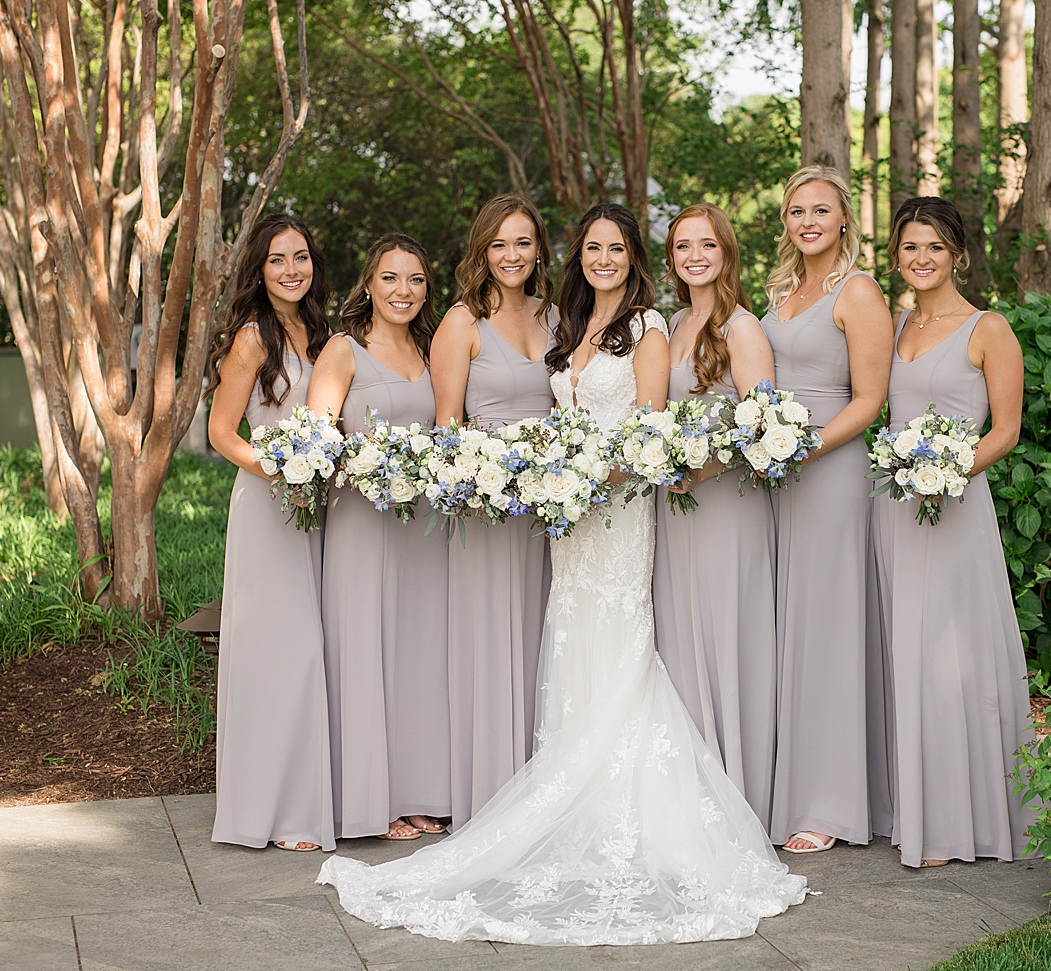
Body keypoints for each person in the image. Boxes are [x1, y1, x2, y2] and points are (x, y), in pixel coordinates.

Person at [318, 203, 807, 945]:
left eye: (616, 248)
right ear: (575, 256)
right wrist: (555, 476)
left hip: (613, 512)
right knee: (573, 643)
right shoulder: (568, 330)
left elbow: (645, 435)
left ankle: (619, 810)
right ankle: (567, 795)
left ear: (634, 257)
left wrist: (575, 473)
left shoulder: (642, 329)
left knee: (620, 646)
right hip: (563, 519)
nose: (603, 259)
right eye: (592, 248)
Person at [871, 196, 1035, 868]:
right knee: (907, 651)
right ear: (896, 257)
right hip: (895, 510)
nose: (921, 258)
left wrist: (948, 470)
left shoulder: (987, 327)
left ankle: (961, 822)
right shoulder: (897, 322)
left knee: (953, 655)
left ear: (958, 255)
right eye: (910, 247)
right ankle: (912, 808)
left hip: (956, 505)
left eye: (933, 247)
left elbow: (1007, 430)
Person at [760, 165, 895, 854]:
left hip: (831, 470)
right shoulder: (780, 292)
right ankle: (784, 788)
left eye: (820, 210)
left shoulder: (858, 291)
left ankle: (830, 804)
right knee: (787, 628)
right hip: (773, 476)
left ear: (844, 220)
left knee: (828, 629)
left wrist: (803, 450)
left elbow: (870, 400)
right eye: (795, 211)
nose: (807, 221)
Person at [308, 233, 449, 844]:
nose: (403, 291)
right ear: (368, 284)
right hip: (362, 522)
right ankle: (371, 799)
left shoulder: (431, 348)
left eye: (415, 280)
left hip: (422, 526)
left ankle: (419, 792)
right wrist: (362, 467)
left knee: (419, 654)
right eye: (390, 278)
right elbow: (315, 443)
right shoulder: (343, 351)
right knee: (366, 648)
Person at [207, 213, 336, 853]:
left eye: (301, 257)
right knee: (279, 653)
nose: (292, 270)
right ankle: (271, 812)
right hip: (267, 507)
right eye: (278, 260)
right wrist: (281, 470)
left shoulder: (319, 332)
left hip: (319, 509)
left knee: (312, 650)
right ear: (259, 270)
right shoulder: (254, 338)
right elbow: (221, 433)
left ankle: (306, 801)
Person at [429, 194, 557, 828]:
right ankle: (488, 794)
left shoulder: (556, 316)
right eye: (501, 244)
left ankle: (541, 788)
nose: (513, 255)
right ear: (482, 249)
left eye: (524, 243)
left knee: (541, 640)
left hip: (551, 513)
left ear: (538, 250)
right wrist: (480, 479)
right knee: (490, 642)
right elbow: (447, 425)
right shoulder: (462, 323)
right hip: (485, 510)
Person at [652, 203, 779, 828]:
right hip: (676, 509)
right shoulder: (675, 324)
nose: (694, 256)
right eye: (682, 246)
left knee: (727, 633)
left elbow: (764, 427)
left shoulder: (742, 326)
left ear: (726, 252)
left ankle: (739, 791)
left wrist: (704, 465)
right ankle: (693, 788)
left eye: (706, 244)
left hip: (726, 502)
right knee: (683, 638)